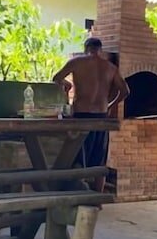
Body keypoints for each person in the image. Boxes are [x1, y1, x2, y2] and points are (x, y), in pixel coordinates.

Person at [53, 37, 129, 189]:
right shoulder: (110, 68)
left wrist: (67, 85)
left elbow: (56, 78)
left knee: (78, 158)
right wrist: (110, 105)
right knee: (100, 160)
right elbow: (125, 91)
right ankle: (97, 200)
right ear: (100, 50)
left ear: (86, 48)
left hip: (81, 116)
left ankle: (77, 195)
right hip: (101, 117)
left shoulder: (76, 62)